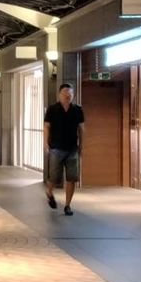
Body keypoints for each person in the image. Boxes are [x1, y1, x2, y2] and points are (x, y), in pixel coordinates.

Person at [44, 83, 86, 216]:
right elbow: (46, 126)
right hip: (56, 148)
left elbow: (82, 129)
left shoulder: (77, 110)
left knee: (72, 178)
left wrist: (82, 146)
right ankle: (49, 192)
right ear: (59, 95)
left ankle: (67, 205)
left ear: (73, 95)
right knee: (54, 178)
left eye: (70, 93)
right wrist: (45, 143)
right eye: (65, 93)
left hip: (72, 149)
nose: (67, 95)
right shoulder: (52, 109)